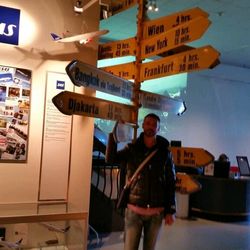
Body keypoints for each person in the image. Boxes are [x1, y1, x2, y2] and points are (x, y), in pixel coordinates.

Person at [106, 113, 176, 250]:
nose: (151, 126)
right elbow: (110, 159)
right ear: (143, 125)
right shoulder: (132, 149)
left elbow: (170, 182)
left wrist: (170, 210)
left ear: (158, 128)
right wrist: (113, 135)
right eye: (148, 123)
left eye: (154, 125)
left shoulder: (165, 153)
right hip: (134, 211)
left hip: (156, 213)